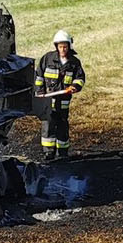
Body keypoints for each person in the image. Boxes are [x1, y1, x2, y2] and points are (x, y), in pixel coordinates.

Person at [35, 29, 86, 161]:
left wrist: (75, 86)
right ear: (56, 46)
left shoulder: (74, 62)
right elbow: (39, 77)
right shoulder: (47, 59)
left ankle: (63, 151)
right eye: (60, 46)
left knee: (62, 125)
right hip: (48, 101)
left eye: (65, 46)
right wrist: (39, 91)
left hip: (63, 101)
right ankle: (48, 152)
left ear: (69, 46)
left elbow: (80, 78)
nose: (63, 49)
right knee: (48, 125)